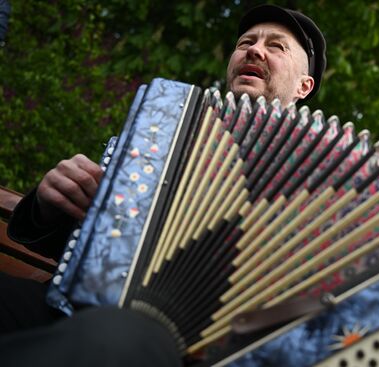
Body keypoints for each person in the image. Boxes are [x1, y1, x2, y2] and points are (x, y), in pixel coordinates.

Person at [1, 4, 326, 367]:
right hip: (69, 312)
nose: (254, 50)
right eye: (245, 42)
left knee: (111, 338)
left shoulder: (319, 183)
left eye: (276, 46)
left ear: (304, 85)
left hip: (177, 350)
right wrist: (49, 207)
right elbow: (92, 250)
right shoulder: (166, 133)